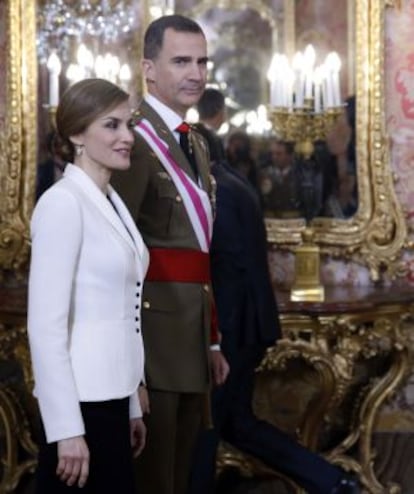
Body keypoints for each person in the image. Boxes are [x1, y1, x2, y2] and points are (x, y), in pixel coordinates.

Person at [189, 88, 362, 494]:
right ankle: (331, 481)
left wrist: (214, 343)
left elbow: (227, 274)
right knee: (236, 423)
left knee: (206, 427)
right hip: (247, 326)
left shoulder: (220, 194)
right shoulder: (234, 185)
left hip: (232, 331)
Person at [111, 15, 229, 494]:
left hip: (191, 329)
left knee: (181, 469)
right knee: (154, 473)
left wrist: (213, 339)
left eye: (201, 61)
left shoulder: (195, 142)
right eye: (181, 61)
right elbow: (118, 250)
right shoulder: (132, 141)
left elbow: (199, 251)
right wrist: (129, 361)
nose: (196, 73)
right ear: (149, 69)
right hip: (152, 335)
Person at [27, 78, 148, 493]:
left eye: (128, 125)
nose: (127, 137)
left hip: (112, 399)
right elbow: (45, 327)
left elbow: (122, 312)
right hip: (79, 406)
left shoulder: (111, 200)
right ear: (77, 134)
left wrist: (131, 402)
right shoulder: (62, 204)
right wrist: (66, 430)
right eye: (112, 125)